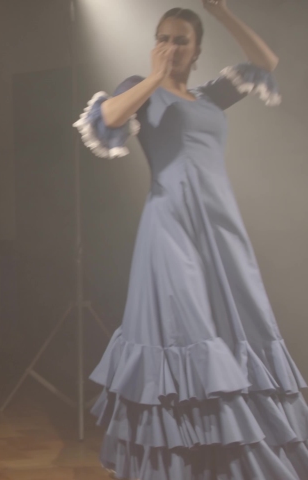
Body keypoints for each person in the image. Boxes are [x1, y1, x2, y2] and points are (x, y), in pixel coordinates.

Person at [73, 1, 308, 478]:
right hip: (170, 228)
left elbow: (266, 63)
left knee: (240, 329)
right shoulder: (141, 89)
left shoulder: (209, 95)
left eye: (182, 40)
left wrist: (222, 14)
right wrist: (155, 78)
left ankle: (230, 456)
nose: (171, 46)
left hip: (221, 231)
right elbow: (111, 117)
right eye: (164, 37)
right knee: (187, 334)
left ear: (197, 50)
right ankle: (184, 462)